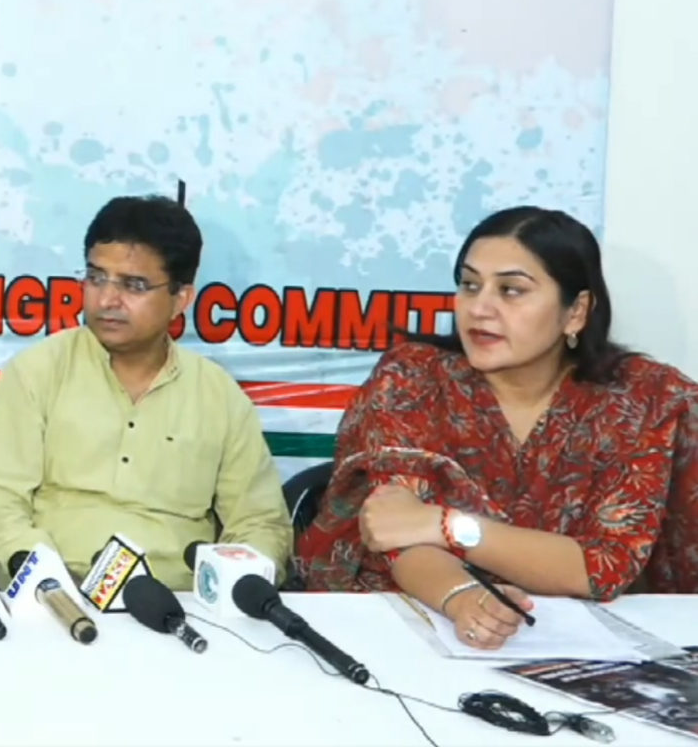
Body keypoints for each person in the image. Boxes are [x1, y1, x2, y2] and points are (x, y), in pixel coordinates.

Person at [297, 206, 698, 652]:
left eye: (511, 290)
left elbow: (603, 565)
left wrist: (448, 526)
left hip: (588, 645)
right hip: (421, 623)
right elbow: (395, 532)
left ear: (576, 312)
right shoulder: (414, 377)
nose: (479, 308)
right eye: (470, 285)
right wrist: (463, 598)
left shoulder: (644, 399)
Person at [0, 195, 293, 590]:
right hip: (55, 596)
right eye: (96, 277)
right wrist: (49, 583)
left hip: (178, 603)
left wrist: (235, 587)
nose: (107, 299)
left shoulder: (218, 395)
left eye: (134, 285)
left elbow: (260, 522)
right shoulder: (36, 373)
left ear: (181, 298)